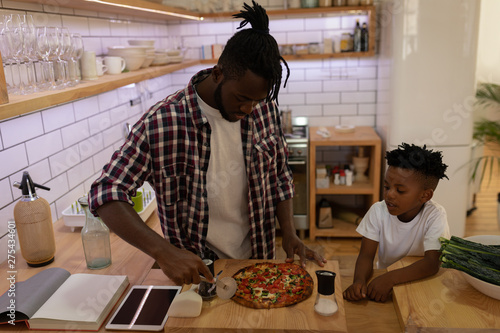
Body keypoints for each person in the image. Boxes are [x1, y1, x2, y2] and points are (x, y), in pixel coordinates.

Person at [88, 1, 326, 286]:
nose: (250, 109)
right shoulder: (163, 123)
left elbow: (279, 175)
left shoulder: (265, 110)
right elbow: (106, 192)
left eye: (257, 100)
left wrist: (289, 232)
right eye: (241, 98)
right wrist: (164, 253)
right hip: (199, 273)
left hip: (258, 261)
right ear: (217, 74)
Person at [343, 143, 450, 302]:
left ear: (425, 196)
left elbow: (432, 263)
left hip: (420, 281)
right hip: (383, 282)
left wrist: (390, 278)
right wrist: (359, 281)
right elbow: (366, 256)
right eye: (386, 186)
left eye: (400, 190)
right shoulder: (378, 211)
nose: (389, 194)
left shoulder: (435, 215)